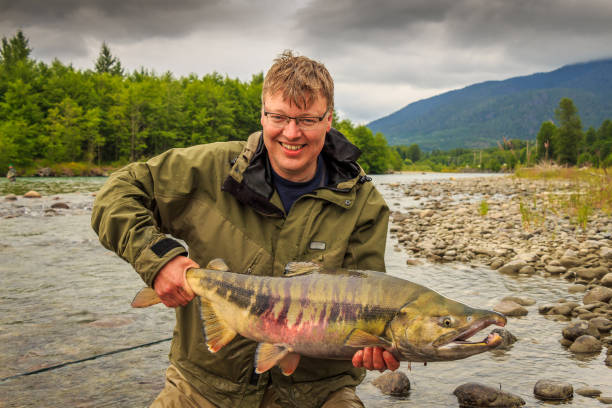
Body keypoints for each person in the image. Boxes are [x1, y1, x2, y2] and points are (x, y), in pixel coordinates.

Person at [91, 51, 398, 408]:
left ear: (328, 119)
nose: (291, 133)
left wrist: (373, 347)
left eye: (307, 120)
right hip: (202, 386)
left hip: (316, 393)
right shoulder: (209, 170)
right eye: (279, 117)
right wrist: (159, 261)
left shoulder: (362, 203)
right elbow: (115, 194)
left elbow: (370, 296)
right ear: (263, 115)